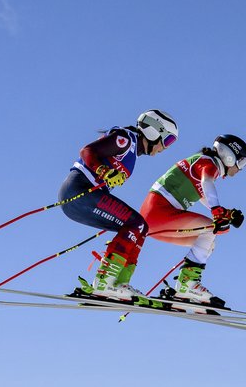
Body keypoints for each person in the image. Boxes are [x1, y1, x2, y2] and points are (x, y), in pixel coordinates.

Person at [60, 109, 179, 300]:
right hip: (79, 190)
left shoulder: (133, 151)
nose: (165, 148)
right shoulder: (126, 139)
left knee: (140, 228)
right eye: (167, 140)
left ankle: (119, 283)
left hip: (85, 197)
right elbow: (87, 151)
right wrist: (104, 171)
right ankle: (105, 282)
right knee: (136, 224)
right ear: (154, 131)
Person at [140, 134, 246, 306]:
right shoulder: (209, 163)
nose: (240, 169)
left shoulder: (202, 162)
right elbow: (207, 183)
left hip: (155, 217)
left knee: (208, 243)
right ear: (229, 155)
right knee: (210, 229)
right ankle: (187, 285)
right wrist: (217, 211)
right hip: (158, 213)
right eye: (241, 162)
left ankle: (185, 286)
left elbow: (203, 193)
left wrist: (224, 212)